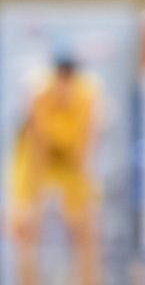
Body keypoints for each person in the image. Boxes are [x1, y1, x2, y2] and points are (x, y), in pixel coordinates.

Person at [8, 56, 99, 285]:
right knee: (26, 228)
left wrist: (79, 196)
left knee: (85, 229)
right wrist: (28, 199)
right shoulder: (40, 96)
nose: (62, 90)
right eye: (59, 83)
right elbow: (37, 149)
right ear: (55, 78)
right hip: (36, 162)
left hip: (70, 164)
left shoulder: (86, 99)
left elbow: (82, 150)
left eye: (67, 84)